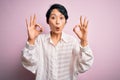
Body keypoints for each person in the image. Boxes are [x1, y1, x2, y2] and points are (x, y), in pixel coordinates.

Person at [22, 3, 94, 80]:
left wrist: (84, 41)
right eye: (53, 17)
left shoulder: (72, 42)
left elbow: (83, 66)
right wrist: (31, 40)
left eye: (61, 18)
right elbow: (30, 63)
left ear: (65, 21)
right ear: (47, 21)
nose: (57, 22)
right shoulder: (40, 40)